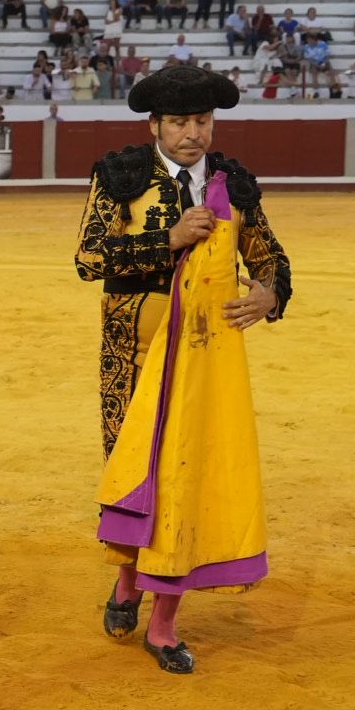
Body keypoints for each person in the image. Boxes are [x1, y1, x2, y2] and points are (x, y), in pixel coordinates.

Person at [75, 65, 292, 675]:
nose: (193, 133)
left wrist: (271, 292)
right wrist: (166, 239)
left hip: (202, 361)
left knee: (187, 482)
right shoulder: (120, 176)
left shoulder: (233, 184)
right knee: (134, 475)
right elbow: (90, 257)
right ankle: (126, 583)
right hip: (132, 356)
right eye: (179, 122)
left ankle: (165, 624)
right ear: (155, 125)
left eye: (202, 121)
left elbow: (269, 256)